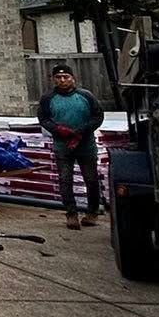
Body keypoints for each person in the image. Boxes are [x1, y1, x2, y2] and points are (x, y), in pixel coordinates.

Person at [37, 62, 105, 229]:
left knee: (91, 179)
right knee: (65, 180)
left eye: (66, 77)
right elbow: (43, 119)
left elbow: (98, 116)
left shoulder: (85, 96)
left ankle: (92, 213)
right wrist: (59, 130)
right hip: (63, 145)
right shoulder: (48, 99)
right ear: (53, 79)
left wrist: (81, 131)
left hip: (86, 145)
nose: (62, 80)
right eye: (58, 77)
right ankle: (71, 214)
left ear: (73, 79)